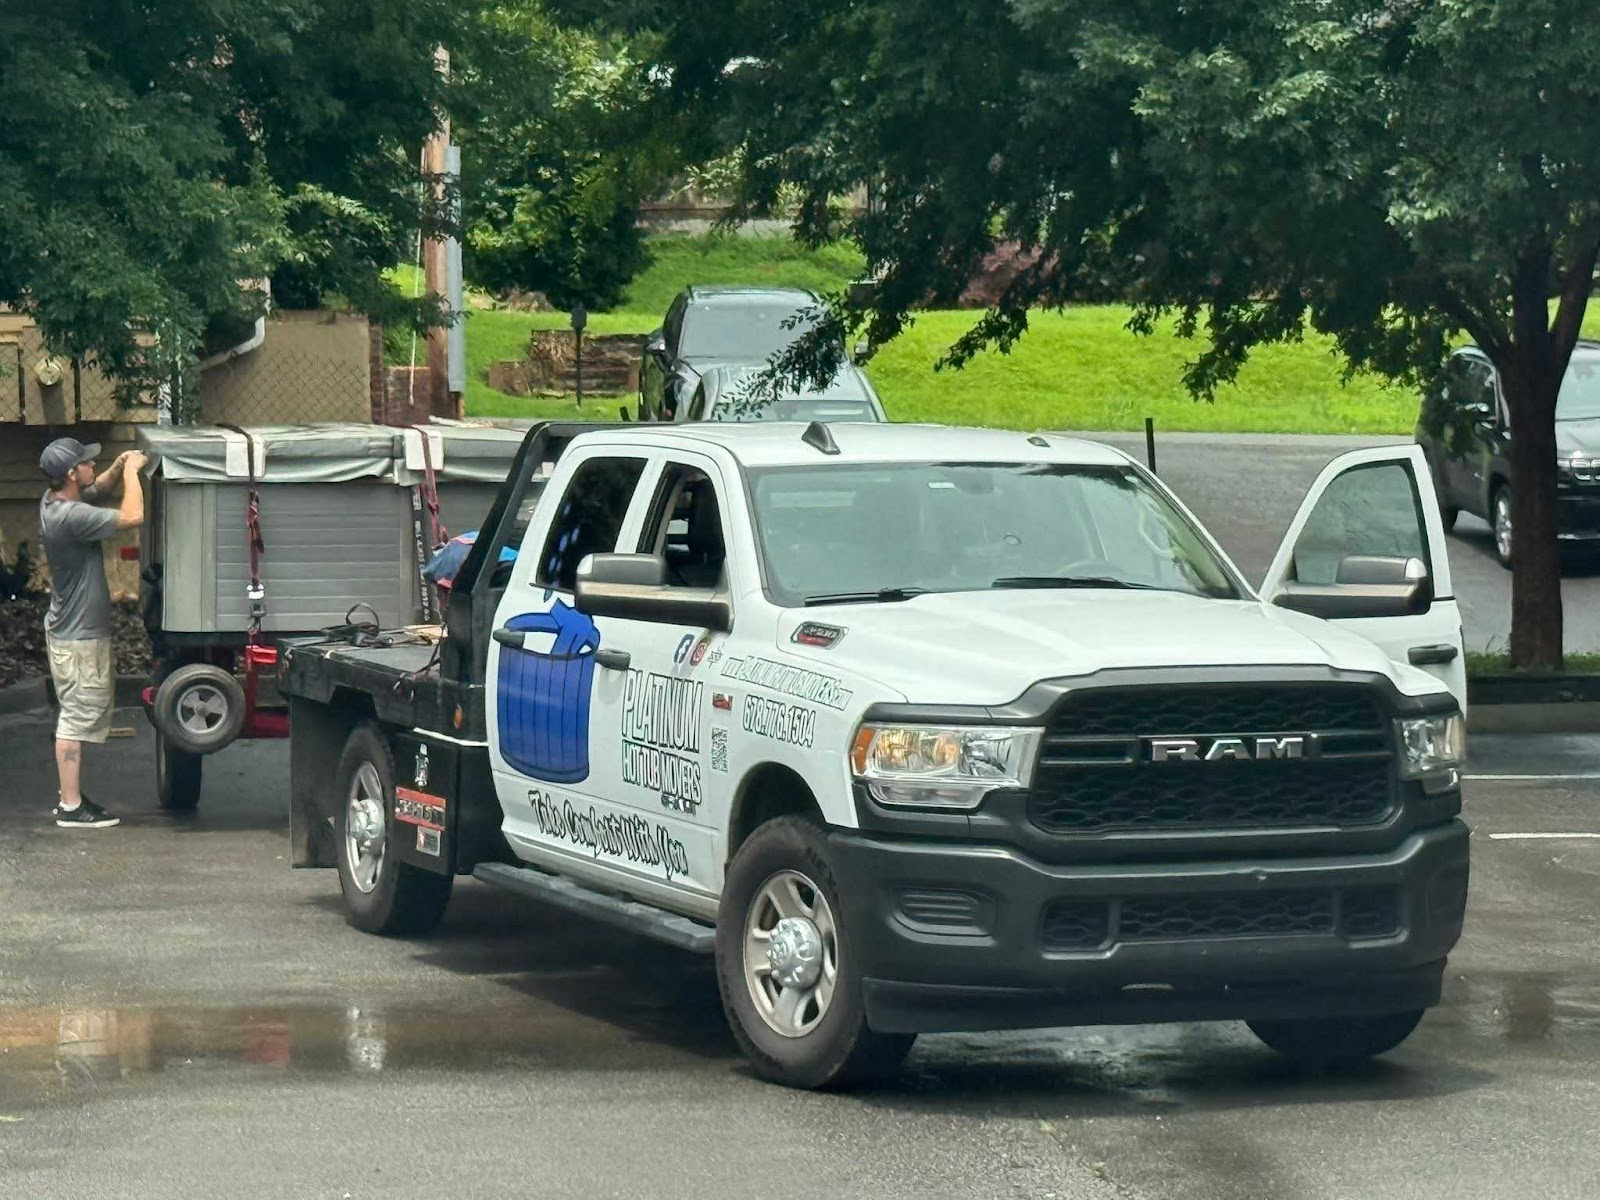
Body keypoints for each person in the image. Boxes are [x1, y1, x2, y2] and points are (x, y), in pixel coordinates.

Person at [37, 438, 148, 829]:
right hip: (78, 638)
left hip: (73, 631)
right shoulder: (71, 517)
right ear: (70, 474)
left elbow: (96, 488)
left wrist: (117, 467)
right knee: (76, 716)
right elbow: (132, 516)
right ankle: (70, 807)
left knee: (79, 711)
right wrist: (133, 472)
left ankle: (72, 798)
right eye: (86, 462)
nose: (91, 465)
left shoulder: (53, 500)